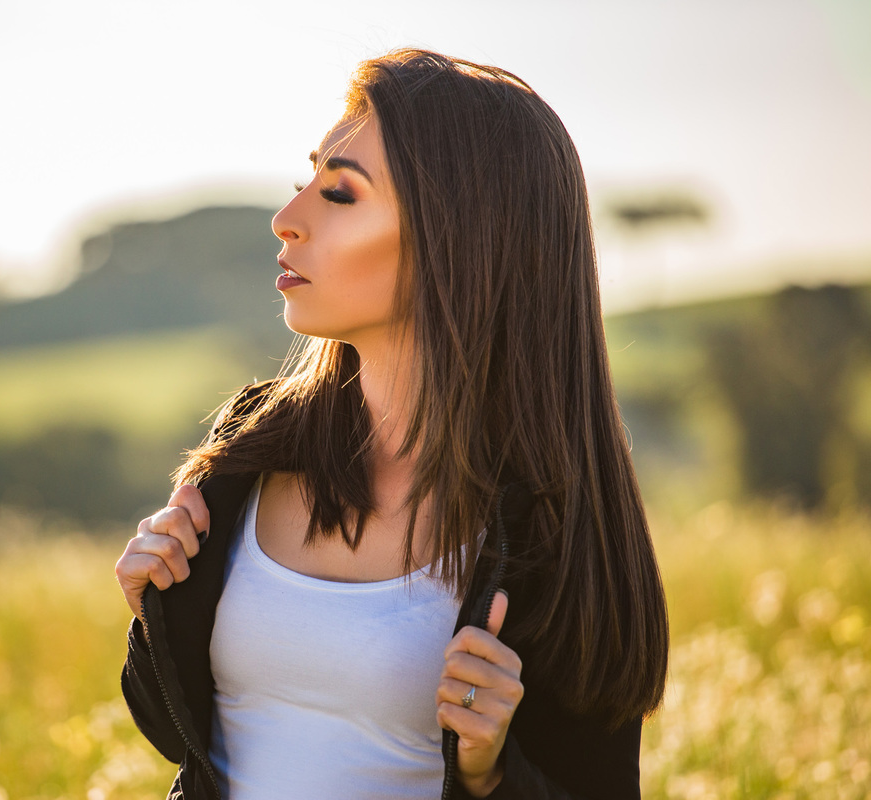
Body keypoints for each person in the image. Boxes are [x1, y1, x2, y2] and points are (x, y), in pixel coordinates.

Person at [116, 49, 669, 799]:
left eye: (339, 194)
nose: (287, 220)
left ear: (459, 235)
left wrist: (490, 774)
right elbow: (183, 737)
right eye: (305, 184)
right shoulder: (250, 450)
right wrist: (153, 609)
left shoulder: (555, 522)